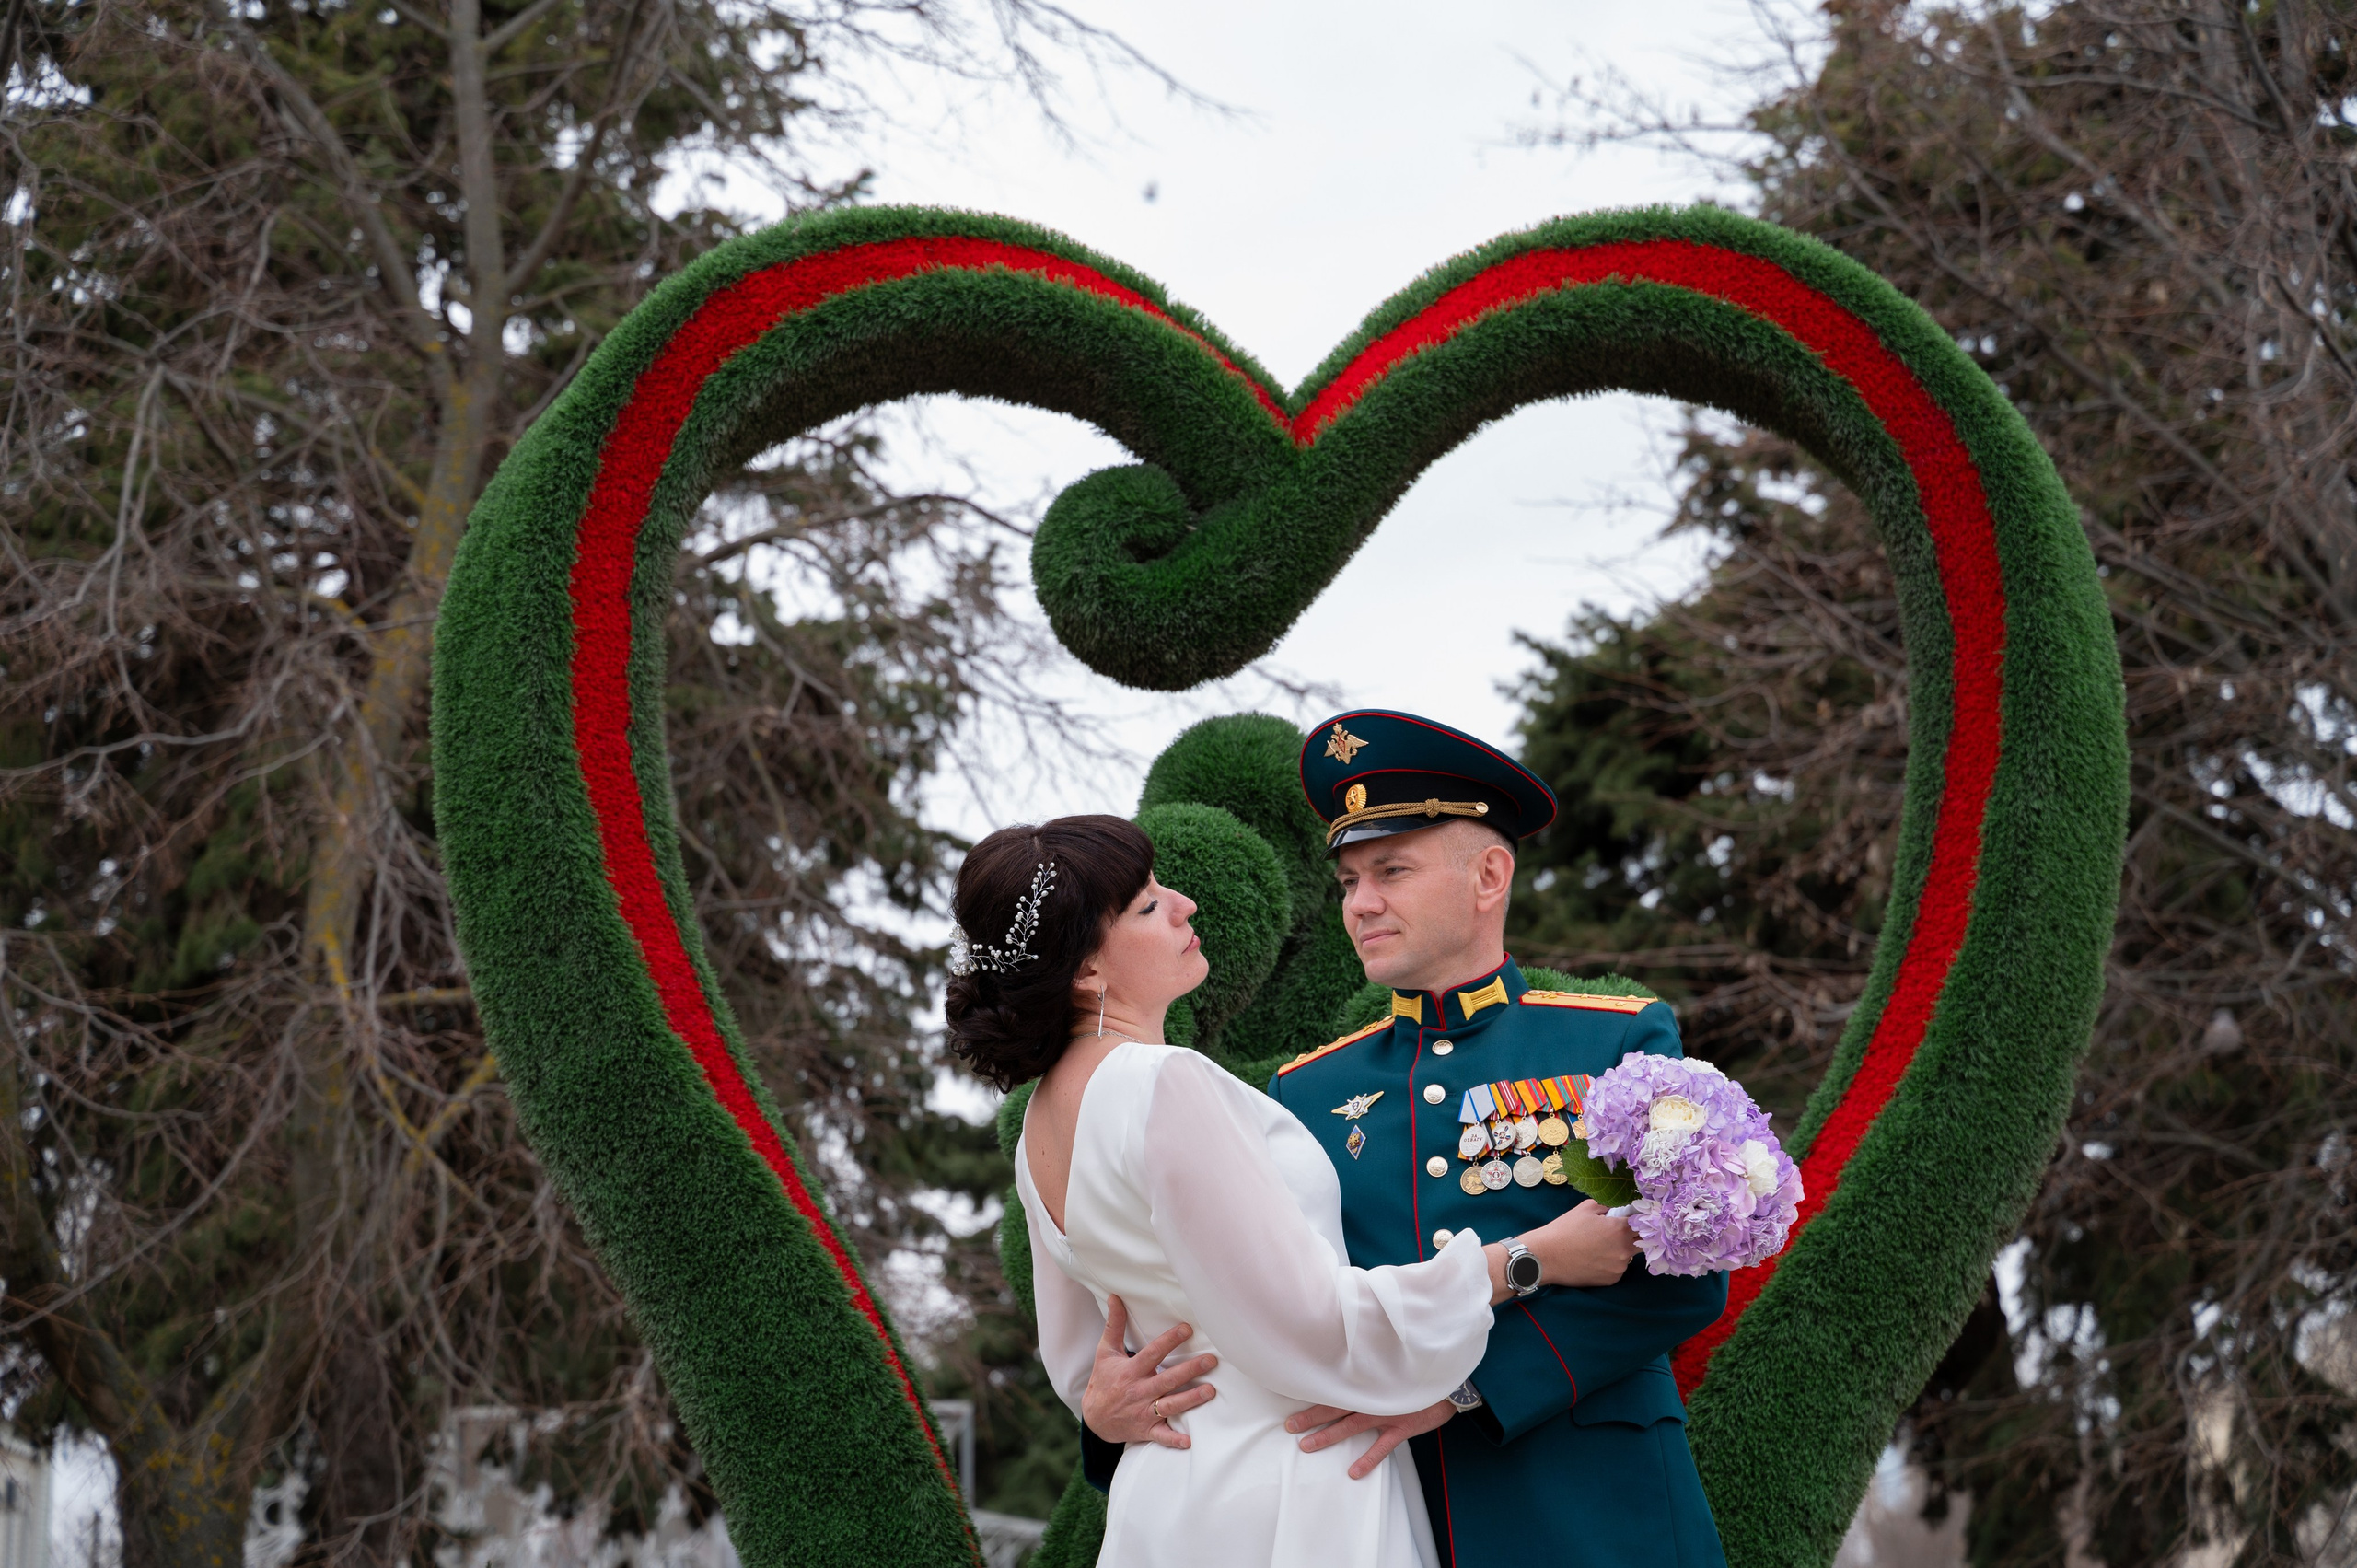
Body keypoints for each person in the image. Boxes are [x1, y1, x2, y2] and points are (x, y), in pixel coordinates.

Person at [1081, 712, 1731, 1568]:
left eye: (1392, 869)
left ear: (1489, 874)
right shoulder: (1299, 1094)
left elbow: (1684, 1277)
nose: (1363, 902)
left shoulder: (1614, 1043)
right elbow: (1241, 1310)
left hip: (1597, 1512)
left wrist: (1468, 1388)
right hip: (1380, 1520)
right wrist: (1105, 1421)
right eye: (1349, 879)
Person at [947, 815, 1641, 1568]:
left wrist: (1098, 1405)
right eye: (1149, 905)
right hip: (1294, 1479)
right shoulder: (1164, 1079)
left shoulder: (1037, 1128)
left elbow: (1090, 1363)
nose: (1185, 905)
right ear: (1085, 970)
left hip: (1171, 1491)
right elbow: (1318, 1319)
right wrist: (1527, 1258)